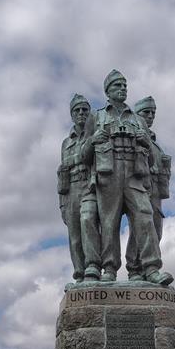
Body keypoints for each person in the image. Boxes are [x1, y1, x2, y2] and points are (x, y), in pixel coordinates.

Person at [81, 70, 173, 285]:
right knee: (108, 222)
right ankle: (109, 269)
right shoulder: (97, 116)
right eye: (117, 86)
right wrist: (94, 139)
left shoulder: (137, 119)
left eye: (124, 86)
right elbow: (84, 156)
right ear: (107, 91)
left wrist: (146, 142)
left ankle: (151, 269)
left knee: (145, 216)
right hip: (109, 174)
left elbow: (151, 160)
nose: (122, 89)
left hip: (134, 175)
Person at [125, 96, 171, 280]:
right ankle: (135, 268)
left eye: (153, 113)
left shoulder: (155, 143)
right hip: (138, 186)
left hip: (156, 192)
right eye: (146, 112)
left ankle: (145, 271)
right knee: (141, 227)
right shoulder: (134, 137)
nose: (150, 116)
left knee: (156, 231)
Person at [58, 94, 101, 282]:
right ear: (72, 114)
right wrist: (62, 205)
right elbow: (62, 173)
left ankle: (93, 266)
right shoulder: (66, 143)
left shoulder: (95, 134)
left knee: (87, 220)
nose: (82, 113)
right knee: (74, 236)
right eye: (77, 110)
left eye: (85, 109)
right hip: (70, 191)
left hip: (89, 187)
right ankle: (80, 274)